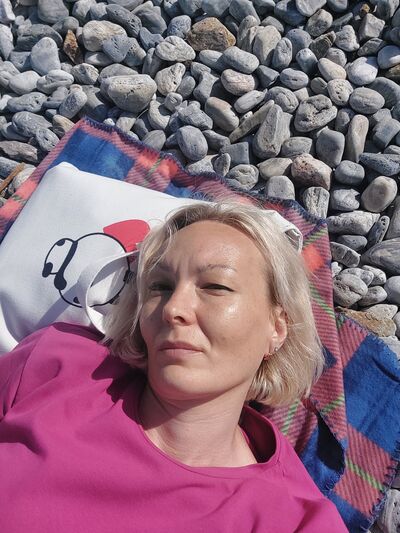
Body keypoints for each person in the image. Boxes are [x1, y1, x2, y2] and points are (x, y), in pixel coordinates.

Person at [0, 202, 348, 532]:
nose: (173, 308)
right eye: (161, 287)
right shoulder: (59, 363)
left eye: (215, 287)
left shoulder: (294, 521)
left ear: (277, 328)